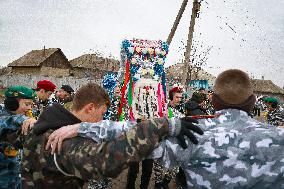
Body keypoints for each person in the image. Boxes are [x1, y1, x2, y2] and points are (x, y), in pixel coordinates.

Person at [21, 82, 203, 189]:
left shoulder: (45, 123)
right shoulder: (63, 142)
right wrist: (159, 125)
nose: (101, 120)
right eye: (101, 114)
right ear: (90, 107)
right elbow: (104, 161)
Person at [155, 69, 284, 188]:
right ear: (252, 102)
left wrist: (166, 125)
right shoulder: (279, 138)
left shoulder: (191, 133)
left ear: (214, 101)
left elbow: (138, 146)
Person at [0, 86, 37, 189]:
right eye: (27, 104)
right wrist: (24, 119)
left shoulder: (23, 117)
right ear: (13, 104)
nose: (30, 108)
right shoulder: (6, 118)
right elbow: (6, 122)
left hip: (15, 178)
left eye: (31, 104)